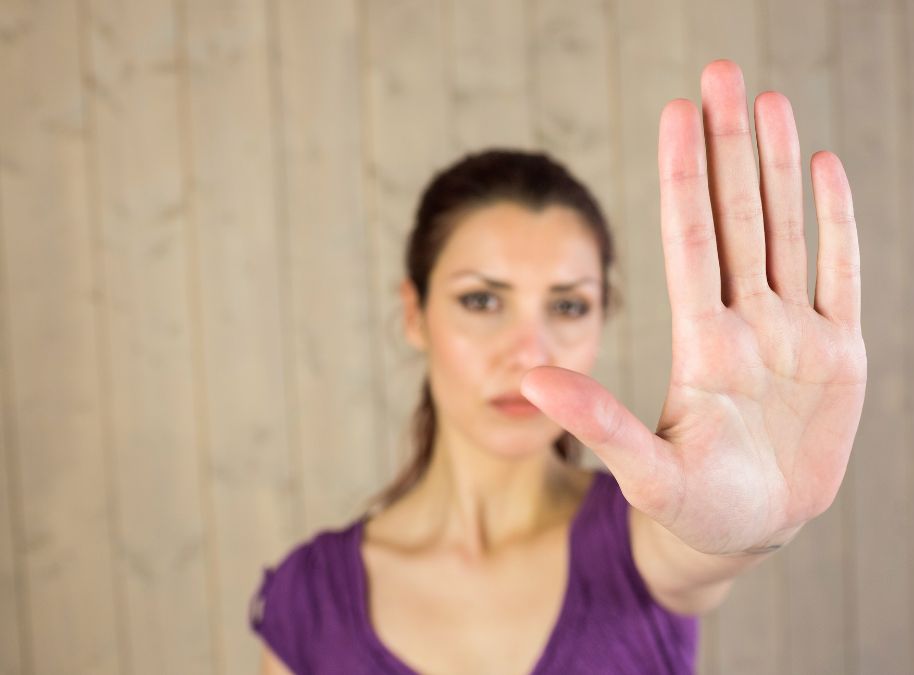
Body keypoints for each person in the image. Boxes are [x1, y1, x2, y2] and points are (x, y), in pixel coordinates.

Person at [250, 57, 866, 675]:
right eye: (482, 300)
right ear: (414, 314)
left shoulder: (647, 535)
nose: (529, 351)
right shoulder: (309, 603)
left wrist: (755, 527)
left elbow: (698, 552)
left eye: (568, 305)